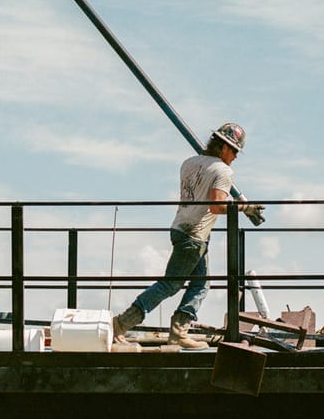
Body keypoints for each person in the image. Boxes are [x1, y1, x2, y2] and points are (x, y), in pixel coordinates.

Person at [111, 122, 265, 349]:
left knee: (201, 283)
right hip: (195, 235)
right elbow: (217, 206)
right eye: (234, 151)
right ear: (224, 147)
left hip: (180, 228)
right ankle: (122, 323)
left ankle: (179, 332)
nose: (235, 157)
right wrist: (244, 207)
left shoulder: (189, 163)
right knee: (170, 285)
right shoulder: (223, 171)